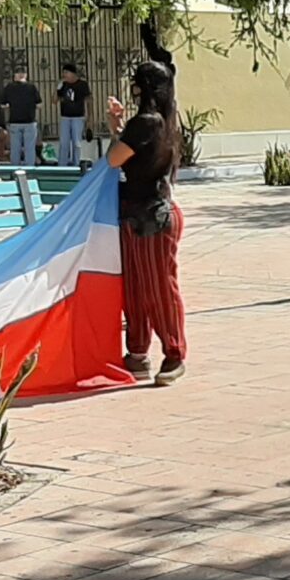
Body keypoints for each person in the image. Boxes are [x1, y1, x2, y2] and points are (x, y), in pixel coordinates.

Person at [106, 61, 186, 386]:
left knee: (154, 289)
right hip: (148, 211)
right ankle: (139, 354)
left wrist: (117, 131)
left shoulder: (146, 121)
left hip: (150, 214)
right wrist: (119, 127)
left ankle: (171, 354)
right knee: (140, 289)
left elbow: (114, 159)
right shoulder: (168, 120)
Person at [0, 67, 44, 168]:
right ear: (25, 75)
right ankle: (29, 168)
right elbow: (39, 104)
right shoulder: (32, 87)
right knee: (29, 148)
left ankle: (15, 168)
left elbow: (2, 105)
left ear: (15, 76)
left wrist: (11, 105)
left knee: (15, 148)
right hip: (29, 121)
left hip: (14, 121)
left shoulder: (9, 87)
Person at [55, 63, 91, 165]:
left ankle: (76, 164)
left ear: (73, 73)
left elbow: (88, 101)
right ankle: (62, 166)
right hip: (65, 117)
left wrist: (89, 117)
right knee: (64, 143)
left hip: (78, 117)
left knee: (76, 143)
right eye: (63, 73)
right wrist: (57, 88)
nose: (64, 75)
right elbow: (54, 101)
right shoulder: (63, 85)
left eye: (66, 72)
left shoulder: (82, 85)